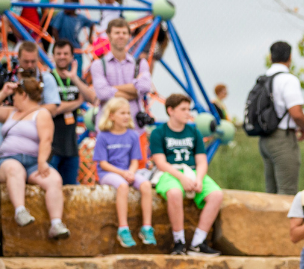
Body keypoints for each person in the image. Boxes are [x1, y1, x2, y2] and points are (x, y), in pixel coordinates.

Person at [150, 93, 223, 256]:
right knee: (174, 193)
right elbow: (161, 163)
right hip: (169, 172)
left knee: (216, 195)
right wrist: (181, 178)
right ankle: (179, 242)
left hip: (192, 171)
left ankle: (198, 242)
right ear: (171, 110)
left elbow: (202, 161)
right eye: (183, 109)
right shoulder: (158, 132)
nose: (187, 113)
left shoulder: (194, 132)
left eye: (188, 109)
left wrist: (199, 179)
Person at [0, 79, 69, 239]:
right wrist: (4, 92)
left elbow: (46, 139)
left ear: (23, 95)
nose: (13, 98)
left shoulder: (41, 113)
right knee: (14, 169)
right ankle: (20, 211)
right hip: (8, 160)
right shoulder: (10, 112)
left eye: (15, 95)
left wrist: (42, 161)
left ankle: (56, 223)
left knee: (54, 180)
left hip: (33, 161)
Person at [94, 97, 156, 248]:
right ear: (111, 116)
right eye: (122, 113)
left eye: (128, 113)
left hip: (127, 171)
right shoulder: (103, 136)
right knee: (123, 186)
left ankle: (147, 227)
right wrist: (123, 174)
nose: (127, 116)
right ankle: (123, 228)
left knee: (146, 185)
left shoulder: (133, 135)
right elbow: (103, 164)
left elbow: (135, 161)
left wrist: (131, 172)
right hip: (108, 173)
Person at [259, 41, 304, 195]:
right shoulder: (288, 79)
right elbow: (296, 112)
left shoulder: (263, 79)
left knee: (271, 192)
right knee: (287, 192)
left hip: (264, 139)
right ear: (290, 57)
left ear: (270, 57)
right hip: (282, 139)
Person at [91, 18, 151, 135]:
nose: (121, 36)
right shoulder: (98, 64)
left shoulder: (140, 63)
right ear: (109, 35)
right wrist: (134, 89)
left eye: (124, 33)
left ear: (129, 36)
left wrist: (112, 88)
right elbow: (102, 93)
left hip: (134, 128)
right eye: (117, 33)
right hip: (107, 128)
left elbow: (145, 87)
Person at [49, 39, 96, 185]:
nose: (62, 57)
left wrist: (74, 78)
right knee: (51, 186)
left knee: (70, 190)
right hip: (50, 147)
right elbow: (53, 109)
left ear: (71, 57)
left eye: (66, 54)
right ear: (53, 56)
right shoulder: (49, 79)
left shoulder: (76, 80)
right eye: (59, 53)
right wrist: (77, 103)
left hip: (71, 148)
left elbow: (93, 99)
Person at [49, 1, 95, 78]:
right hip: (64, 49)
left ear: (75, 5)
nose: (65, 6)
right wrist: (58, 44)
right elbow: (54, 29)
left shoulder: (80, 18)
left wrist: (90, 37)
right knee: (63, 70)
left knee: (77, 71)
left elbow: (91, 24)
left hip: (76, 50)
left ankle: (76, 82)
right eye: (64, 3)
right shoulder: (61, 15)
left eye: (68, 3)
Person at [16, 42, 61, 116]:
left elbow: (53, 109)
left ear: (38, 59)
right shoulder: (10, 78)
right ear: (18, 58)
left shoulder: (46, 78)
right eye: (26, 61)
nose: (29, 65)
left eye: (33, 61)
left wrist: (25, 111)